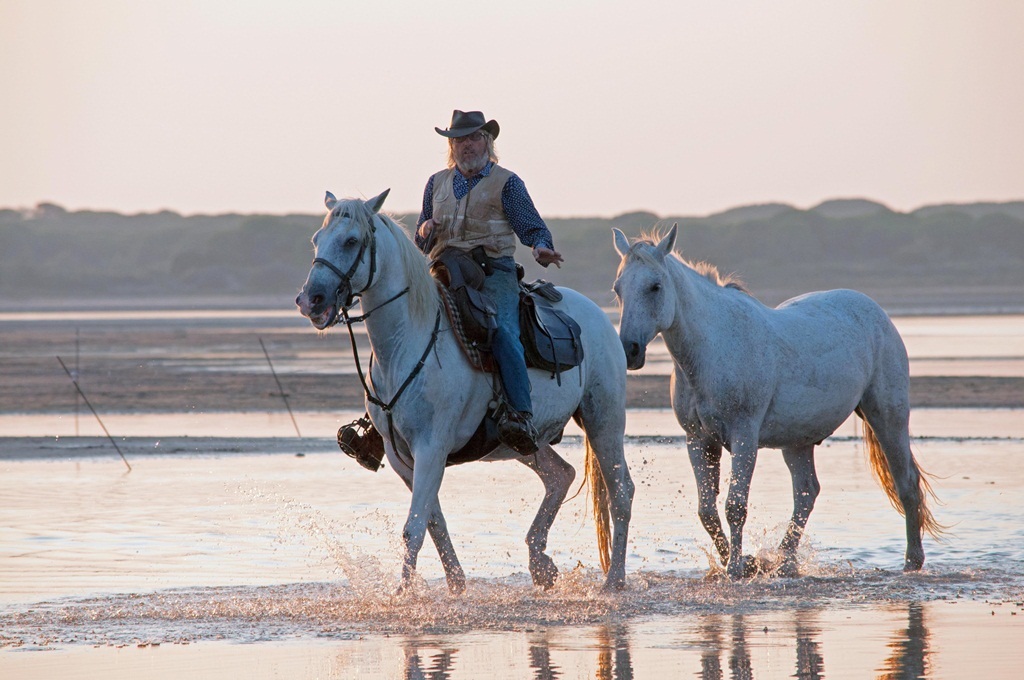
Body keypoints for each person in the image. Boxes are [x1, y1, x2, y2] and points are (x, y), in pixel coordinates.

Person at [416, 110, 563, 455]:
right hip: (444, 270)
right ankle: (381, 421)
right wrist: (425, 230)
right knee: (403, 323)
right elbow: (422, 237)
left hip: (493, 272)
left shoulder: (507, 182)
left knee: (503, 333)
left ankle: (521, 415)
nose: (467, 145)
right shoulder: (435, 183)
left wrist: (542, 248)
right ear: (451, 145)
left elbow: (533, 227)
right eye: (460, 139)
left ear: (487, 141)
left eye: (474, 137)